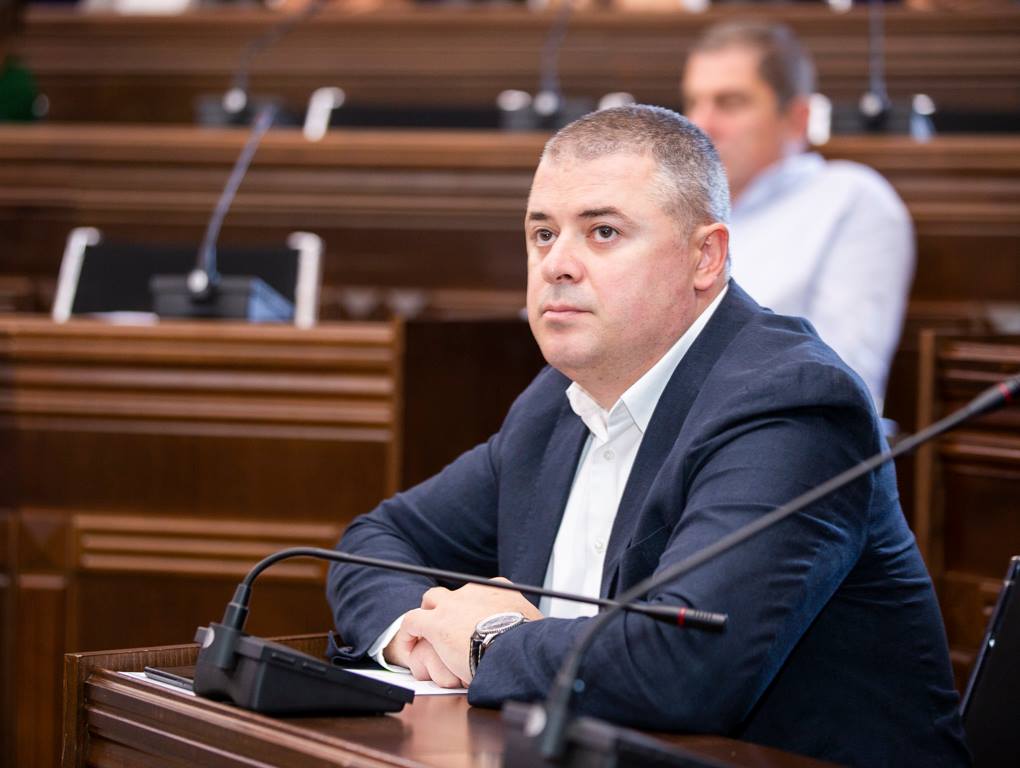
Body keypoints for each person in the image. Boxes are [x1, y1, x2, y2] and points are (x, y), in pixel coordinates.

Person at [327, 105, 967, 767]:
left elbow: (683, 667)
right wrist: (416, 633)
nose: (556, 264)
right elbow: (373, 544)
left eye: (602, 232)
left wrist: (488, 641)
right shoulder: (554, 403)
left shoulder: (792, 404)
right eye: (542, 233)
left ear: (704, 257)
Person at [681, 21, 914, 414]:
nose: (701, 125)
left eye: (730, 103)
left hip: (774, 430)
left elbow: (844, 380)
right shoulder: (678, 209)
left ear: (797, 118)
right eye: (693, 102)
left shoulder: (851, 199)